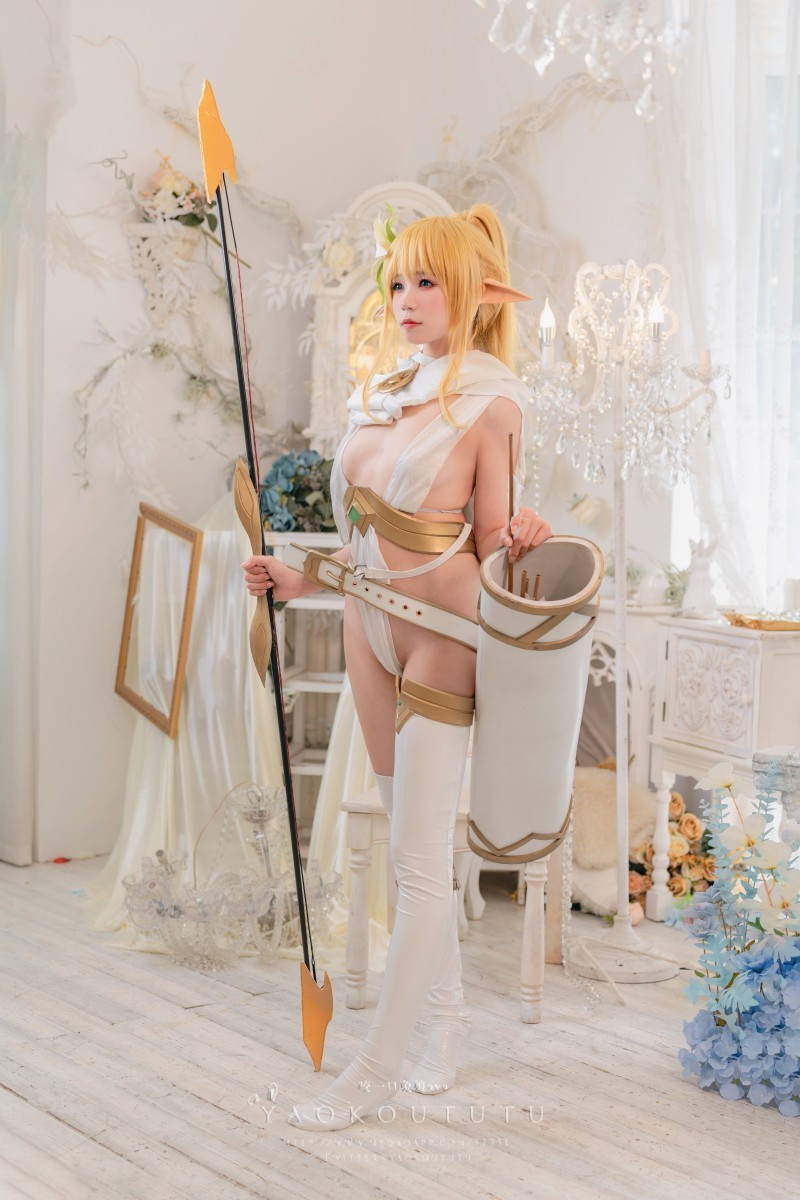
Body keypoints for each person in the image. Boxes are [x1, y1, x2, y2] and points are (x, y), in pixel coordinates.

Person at [241, 203, 552, 1130]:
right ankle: (444, 1027)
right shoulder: (380, 393)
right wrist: (301, 578)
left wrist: (525, 535)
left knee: (419, 866)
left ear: (473, 294)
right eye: (398, 282)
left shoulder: (493, 403)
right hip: (366, 629)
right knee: (406, 863)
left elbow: (490, 544)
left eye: (427, 282)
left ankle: (371, 1073)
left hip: (442, 635)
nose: (406, 299)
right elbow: (364, 538)